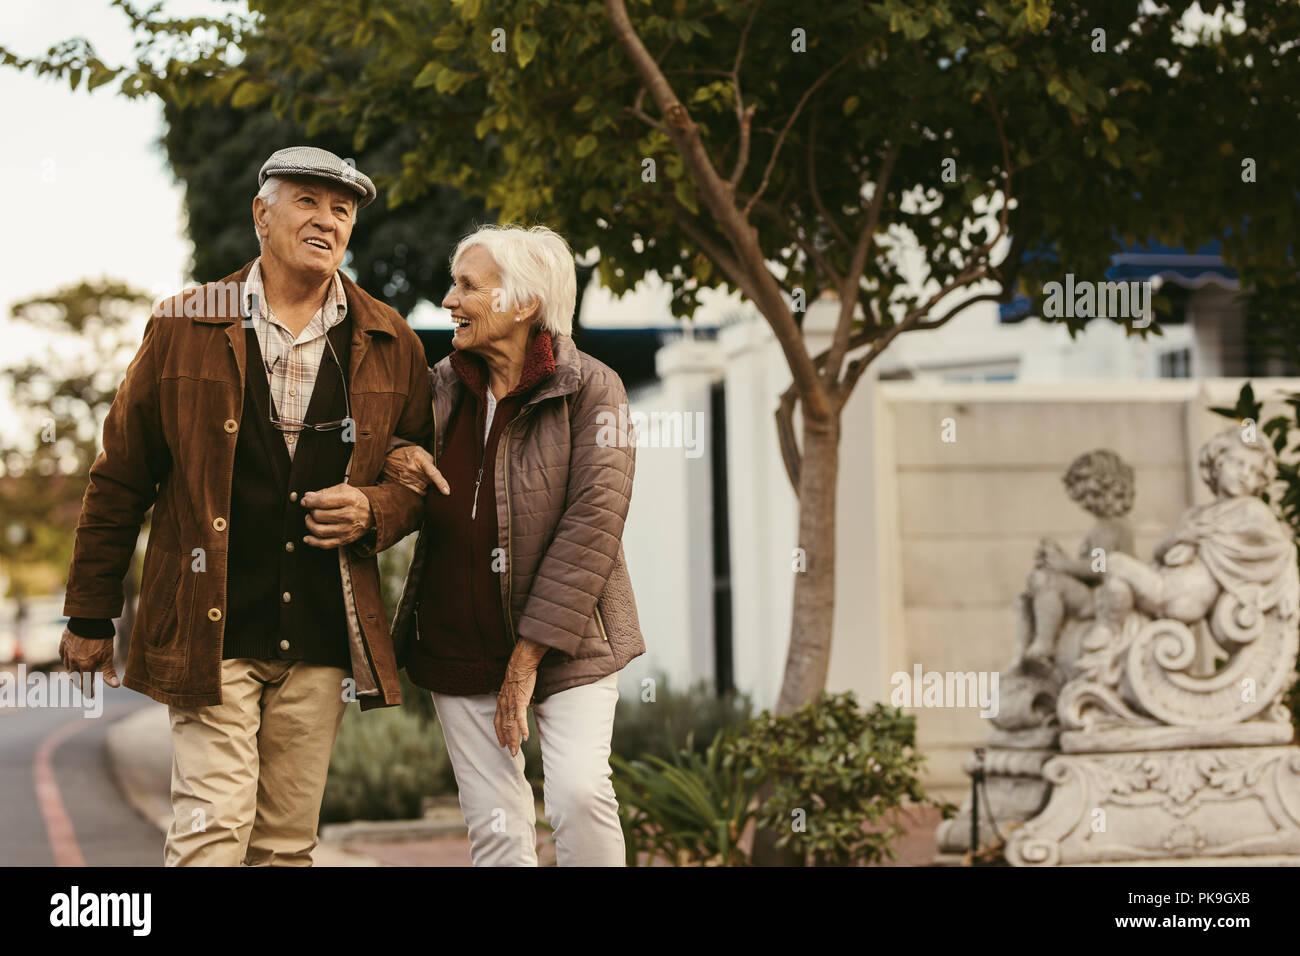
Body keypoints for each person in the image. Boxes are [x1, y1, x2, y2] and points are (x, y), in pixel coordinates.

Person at [59, 146, 438, 866]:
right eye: (307, 202)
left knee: (286, 848)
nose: (327, 220)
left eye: (343, 209)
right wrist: (87, 612)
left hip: (324, 633)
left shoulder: (393, 340)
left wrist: (377, 510)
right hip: (212, 631)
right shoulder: (184, 324)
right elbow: (120, 477)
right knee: (211, 833)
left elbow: (418, 471)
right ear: (261, 215)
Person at [383, 223, 646, 866]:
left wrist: (526, 660)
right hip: (458, 639)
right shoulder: (439, 384)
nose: (449, 301)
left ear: (524, 303)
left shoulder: (592, 389)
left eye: (469, 286)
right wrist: (396, 455)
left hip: (570, 642)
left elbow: (593, 525)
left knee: (580, 797)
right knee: (499, 829)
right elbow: (383, 454)